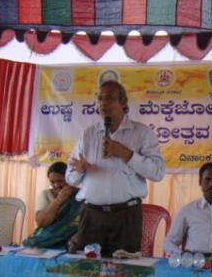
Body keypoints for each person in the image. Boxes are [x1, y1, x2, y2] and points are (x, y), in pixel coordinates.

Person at [66, 80, 165, 256]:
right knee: (87, 274)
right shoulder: (88, 134)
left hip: (125, 217)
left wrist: (126, 154)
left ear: (123, 102)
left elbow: (157, 173)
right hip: (91, 217)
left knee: (123, 275)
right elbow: (70, 178)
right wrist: (79, 169)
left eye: (110, 98)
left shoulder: (141, 133)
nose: (104, 103)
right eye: (100, 98)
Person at [23, 162, 81, 249]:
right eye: (52, 182)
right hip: (47, 239)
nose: (56, 185)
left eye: (60, 181)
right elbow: (41, 222)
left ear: (69, 179)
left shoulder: (81, 195)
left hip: (73, 241)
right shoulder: (45, 194)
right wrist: (58, 200)